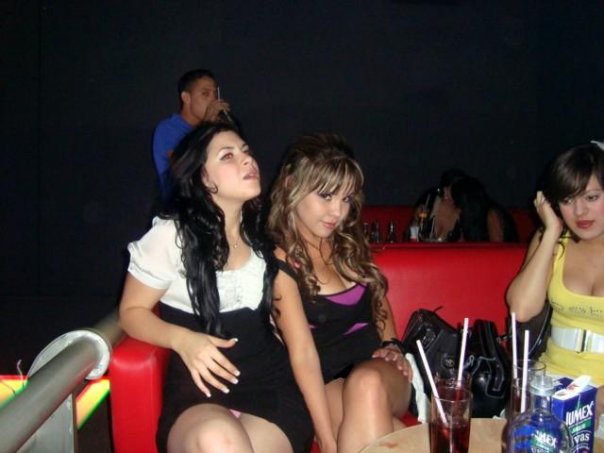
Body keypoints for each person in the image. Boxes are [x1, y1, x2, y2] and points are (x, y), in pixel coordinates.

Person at [119, 123, 313, 453]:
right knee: (219, 441)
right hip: (199, 389)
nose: (247, 159)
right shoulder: (172, 236)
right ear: (204, 178)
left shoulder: (261, 236)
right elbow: (130, 313)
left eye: (246, 151)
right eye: (228, 156)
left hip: (270, 385)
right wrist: (183, 339)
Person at [267, 132, 413, 453]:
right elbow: (303, 356)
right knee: (392, 435)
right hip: (327, 383)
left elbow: (378, 302)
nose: (337, 211)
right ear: (291, 185)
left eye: (346, 199)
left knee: (366, 384)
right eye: (326, 195)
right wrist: (326, 438)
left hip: (381, 374)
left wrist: (392, 345)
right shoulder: (280, 264)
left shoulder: (348, 245)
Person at [506, 142, 604, 432]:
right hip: (550, 387)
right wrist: (550, 232)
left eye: (591, 197)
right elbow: (521, 310)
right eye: (567, 200)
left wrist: (597, 400)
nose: (580, 211)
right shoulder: (554, 242)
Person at [152, 68, 233, 199]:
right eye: (205, 94)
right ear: (186, 98)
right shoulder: (168, 129)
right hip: (182, 204)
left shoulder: (214, 127)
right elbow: (183, 168)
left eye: (215, 94)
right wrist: (206, 126)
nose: (213, 100)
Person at [450, 176, 518, 242]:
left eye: (456, 201)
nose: (453, 204)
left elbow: (498, 247)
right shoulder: (469, 219)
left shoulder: (491, 215)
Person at [409, 168, 466, 241]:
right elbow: (411, 236)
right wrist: (416, 220)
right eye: (445, 189)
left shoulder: (465, 213)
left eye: (452, 190)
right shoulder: (430, 201)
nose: (446, 194)